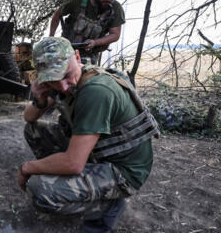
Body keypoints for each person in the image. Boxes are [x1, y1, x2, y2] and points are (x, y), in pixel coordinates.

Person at [18, 36, 159, 232]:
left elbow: (73, 164)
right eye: (53, 80)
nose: (64, 87)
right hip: (99, 154)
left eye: (66, 75)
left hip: (123, 170)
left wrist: (27, 168)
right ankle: (80, 186)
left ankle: (108, 204)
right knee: (34, 131)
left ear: (77, 57)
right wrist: (40, 99)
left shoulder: (96, 91)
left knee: (40, 190)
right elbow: (29, 117)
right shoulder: (67, 80)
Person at [49, 0, 125, 65]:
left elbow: (115, 34)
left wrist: (95, 42)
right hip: (66, 52)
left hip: (90, 57)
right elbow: (57, 15)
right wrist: (51, 39)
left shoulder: (116, 8)